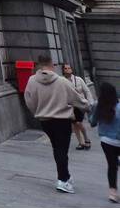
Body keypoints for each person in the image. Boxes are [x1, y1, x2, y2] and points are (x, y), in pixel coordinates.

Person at [24, 53, 90, 193]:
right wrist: (89, 106)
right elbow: (77, 99)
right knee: (62, 150)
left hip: (45, 121)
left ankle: (65, 176)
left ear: (38, 64)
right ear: (52, 64)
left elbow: (29, 101)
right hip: (61, 120)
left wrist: (38, 111)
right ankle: (63, 180)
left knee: (57, 148)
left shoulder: (31, 81)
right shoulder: (62, 81)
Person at [90, 82, 120, 203]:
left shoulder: (98, 106)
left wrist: (90, 110)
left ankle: (112, 193)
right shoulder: (118, 107)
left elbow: (92, 122)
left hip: (106, 142)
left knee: (112, 166)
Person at [63, 63, 94, 149]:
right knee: (74, 124)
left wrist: (90, 102)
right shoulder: (62, 81)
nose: (67, 70)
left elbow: (87, 91)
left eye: (69, 68)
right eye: (65, 68)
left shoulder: (78, 79)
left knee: (78, 122)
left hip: (80, 105)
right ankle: (81, 142)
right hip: (70, 106)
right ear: (63, 70)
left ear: (72, 69)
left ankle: (86, 138)